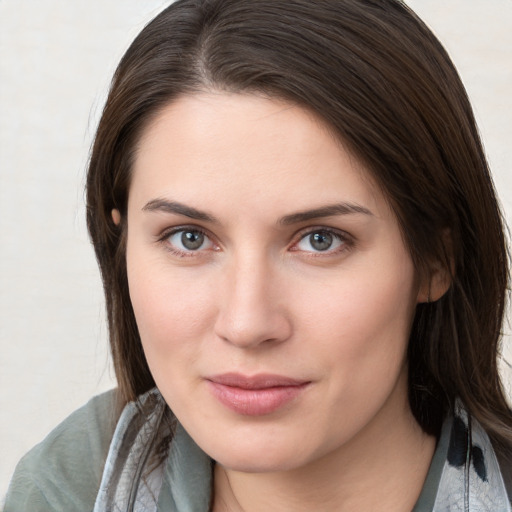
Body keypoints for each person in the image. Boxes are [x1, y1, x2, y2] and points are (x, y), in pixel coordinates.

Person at [5, 0, 512, 510]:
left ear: (434, 260)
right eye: (189, 238)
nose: (247, 324)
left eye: (321, 239)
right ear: (122, 249)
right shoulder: (69, 488)